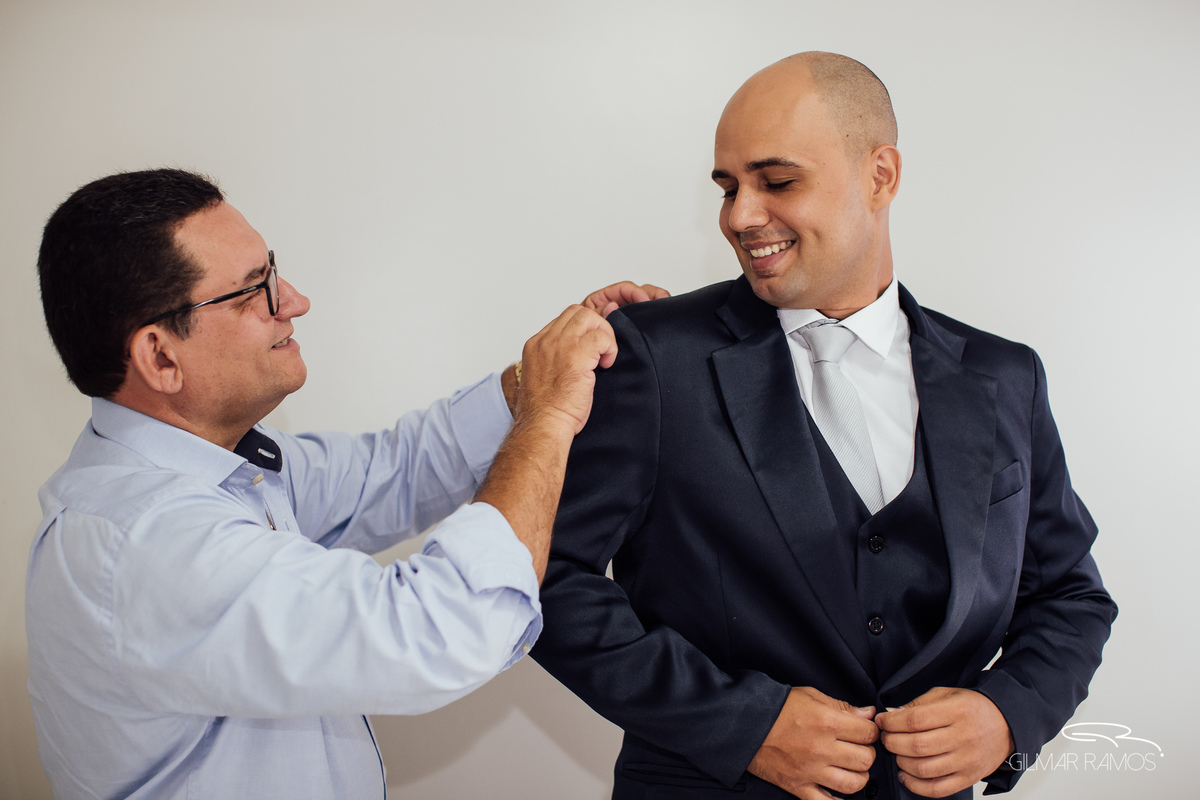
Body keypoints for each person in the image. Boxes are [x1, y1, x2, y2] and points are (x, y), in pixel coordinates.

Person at [531, 52, 1116, 800]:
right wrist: (740, 724)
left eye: (777, 182)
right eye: (728, 187)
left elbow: (1070, 596)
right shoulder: (652, 353)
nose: (739, 216)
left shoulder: (1006, 378)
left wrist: (1007, 716)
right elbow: (545, 578)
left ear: (881, 177)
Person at [27, 167, 665, 800]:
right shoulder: (149, 544)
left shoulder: (223, 470)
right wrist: (550, 412)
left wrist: (546, 367)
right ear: (161, 356)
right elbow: (445, 627)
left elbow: (398, 470)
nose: (295, 301)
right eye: (255, 290)